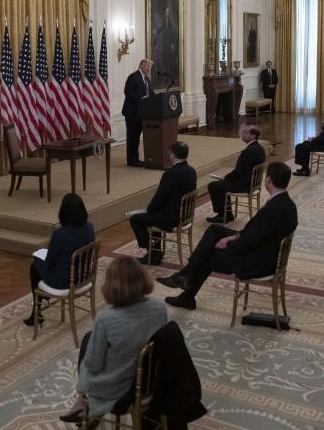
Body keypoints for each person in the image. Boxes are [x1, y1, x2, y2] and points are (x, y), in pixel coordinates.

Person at [159, 162, 298, 310]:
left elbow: (250, 242)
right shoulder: (287, 204)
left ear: (268, 180)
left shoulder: (273, 210)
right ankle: (185, 275)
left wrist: (228, 244)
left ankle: (186, 292)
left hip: (258, 262)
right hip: (266, 250)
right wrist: (235, 235)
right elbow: (257, 233)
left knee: (209, 255)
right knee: (215, 231)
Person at [59, 255, 168, 425]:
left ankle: (84, 402)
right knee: (89, 338)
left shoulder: (107, 319)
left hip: (118, 388)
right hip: (150, 380)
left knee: (89, 353)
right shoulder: (159, 308)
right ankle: (84, 404)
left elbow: (94, 365)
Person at [25, 193, 95, 326]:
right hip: (84, 276)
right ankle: (43, 299)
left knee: (35, 265)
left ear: (63, 212)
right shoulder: (90, 227)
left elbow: (50, 262)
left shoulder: (60, 234)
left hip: (64, 281)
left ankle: (37, 310)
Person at [130, 141, 197, 265]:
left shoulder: (170, 174)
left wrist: (149, 209)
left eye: (169, 152)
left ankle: (152, 252)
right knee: (154, 214)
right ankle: (156, 252)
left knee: (135, 219)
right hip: (185, 215)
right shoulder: (192, 171)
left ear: (172, 154)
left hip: (171, 218)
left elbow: (160, 197)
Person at [207, 125, 266, 224]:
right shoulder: (260, 148)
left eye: (245, 132)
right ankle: (227, 214)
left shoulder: (248, 152)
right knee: (222, 184)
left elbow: (238, 171)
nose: (242, 133)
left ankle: (223, 216)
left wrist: (226, 178)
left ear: (253, 136)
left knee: (214, 185)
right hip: (253, 182)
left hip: (244, 185)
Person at [292, 102, 324, 176]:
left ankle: (305, 170)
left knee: (300, 146)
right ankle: (304, 168)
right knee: (305, 144)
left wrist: (313, 140)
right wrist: (314, 139)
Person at [122, 59, 153, 167]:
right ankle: (132, 160)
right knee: (132, 137)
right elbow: (128, 92)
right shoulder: (133, 77)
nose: (149, 69)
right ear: (141, 65)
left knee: (137, 137)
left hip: (141, 113)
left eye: (150, 67)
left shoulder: (147, 79)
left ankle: (135, 158)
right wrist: (140, 99)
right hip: (132, 112)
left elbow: (150, 93)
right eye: (147, 66)